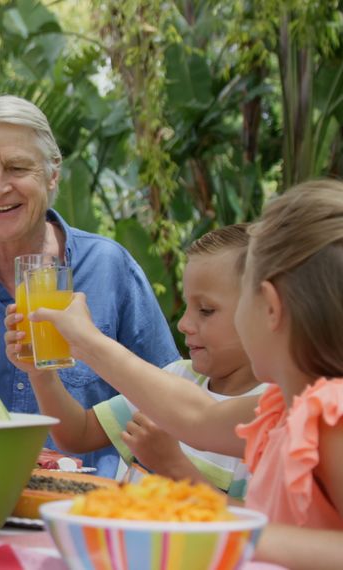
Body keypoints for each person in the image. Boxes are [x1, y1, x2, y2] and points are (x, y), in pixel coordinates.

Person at [25, 180, 343, 569]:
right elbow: (197, 416)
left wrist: (227, 532)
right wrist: (85, 341)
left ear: (271, 308)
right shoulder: (282, 408)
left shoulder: (332, 419)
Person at [0, 95, 178, 472]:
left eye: (17, 167)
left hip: (85, 504)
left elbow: (170, 396)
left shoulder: (108, 268)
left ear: (53, 175)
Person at [6, 224, 263, 495]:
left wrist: (173, 465)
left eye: (206, 310)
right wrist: (40, 373)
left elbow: (254, 526)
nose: (184, 324)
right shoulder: (175, 377)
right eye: (187, 306)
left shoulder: (275, 411)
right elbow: (76, 433)